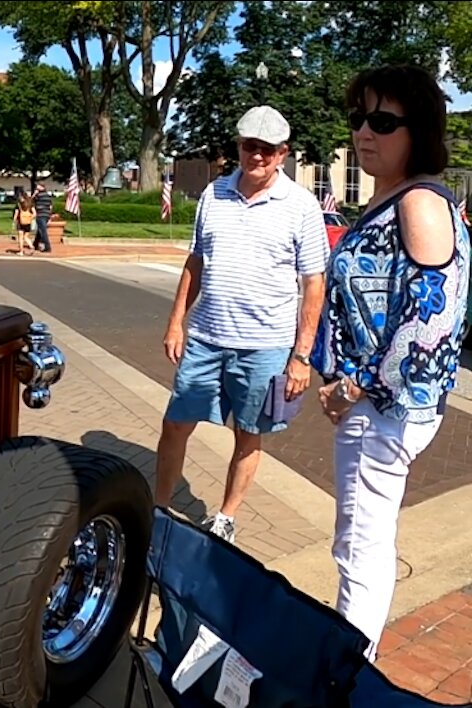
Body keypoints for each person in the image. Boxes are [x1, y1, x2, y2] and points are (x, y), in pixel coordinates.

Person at [310, 64, 470, 660]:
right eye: (358, 118)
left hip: (381, 410)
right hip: (378, 406)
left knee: (360, 549)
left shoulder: (420, 203)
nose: (363, 132)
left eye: (382, 120)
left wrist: (352, 387)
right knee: (361, 542)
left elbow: (431, 321)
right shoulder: (395, 197)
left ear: (419, 128)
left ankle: (348, 675)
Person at [155, 105, 329, 542]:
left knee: (249, 435)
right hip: (207, 340)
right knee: (175, 424)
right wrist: (177, 321)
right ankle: (156, 508)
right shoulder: (214, 195)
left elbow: (313, 285)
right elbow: (196, 262)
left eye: (268, 149)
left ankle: (226, 516)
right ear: (239, 147)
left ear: (283, 154)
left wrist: (301, 357)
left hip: (265, 347)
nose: (258, 156)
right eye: (251, 146)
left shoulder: (302, 206)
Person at [32, 183, 54, 252]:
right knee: (40, 229)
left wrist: (34, 194)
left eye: (38, 186)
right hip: (46, 214)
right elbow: (50, 206)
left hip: (40, 214)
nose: (36, 187)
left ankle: (47, 247)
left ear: (42, 187)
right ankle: (35, 244)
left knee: (43, 231)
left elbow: (30, 201)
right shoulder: (48, 195)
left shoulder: (38, 195)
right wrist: (50, 215)